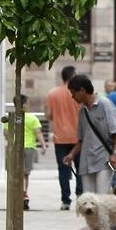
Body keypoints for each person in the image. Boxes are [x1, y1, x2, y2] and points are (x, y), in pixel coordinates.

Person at [63, 72, 116, 211]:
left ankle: (106, 228)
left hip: (104, 159)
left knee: (101, 198)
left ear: (82, 90)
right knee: (88, 200)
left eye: (73, 93)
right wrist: (71, 155)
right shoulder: (82, 111)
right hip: (86, 161)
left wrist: (115, 154)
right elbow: (81, 139)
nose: (72, 97)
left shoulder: (105, 105)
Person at [46, 65, 83, 210]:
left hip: (60, 137)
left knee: (63, 169)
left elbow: (49, 115)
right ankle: (80, 196)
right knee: (80, 168)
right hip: (78, 138)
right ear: (73, 76)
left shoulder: (52, 93)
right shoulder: (79, 93)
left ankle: (65, 200)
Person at [17, 95, 46, 210]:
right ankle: (24, 193)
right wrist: (43, 145)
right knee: (25, 173)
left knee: (17, 173)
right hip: (29, 148)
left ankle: (18, 194)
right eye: (28, 103)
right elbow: (38, 132)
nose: (29, 105)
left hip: (16, 148)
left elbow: (5, 133)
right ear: (24, 105)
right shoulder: (32, 118)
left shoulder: (11, 117)